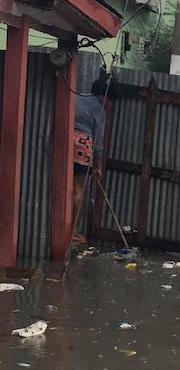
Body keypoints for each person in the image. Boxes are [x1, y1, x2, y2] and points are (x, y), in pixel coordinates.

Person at [72, 77, 114, 245]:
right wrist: (98, 166)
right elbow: (98, 140)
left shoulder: (75, 96)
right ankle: (74, 232)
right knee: (78, 190)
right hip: (82, 145)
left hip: (63, 139)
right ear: (103, 96)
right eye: (109, 99)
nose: (109, 103)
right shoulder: (99, 110)